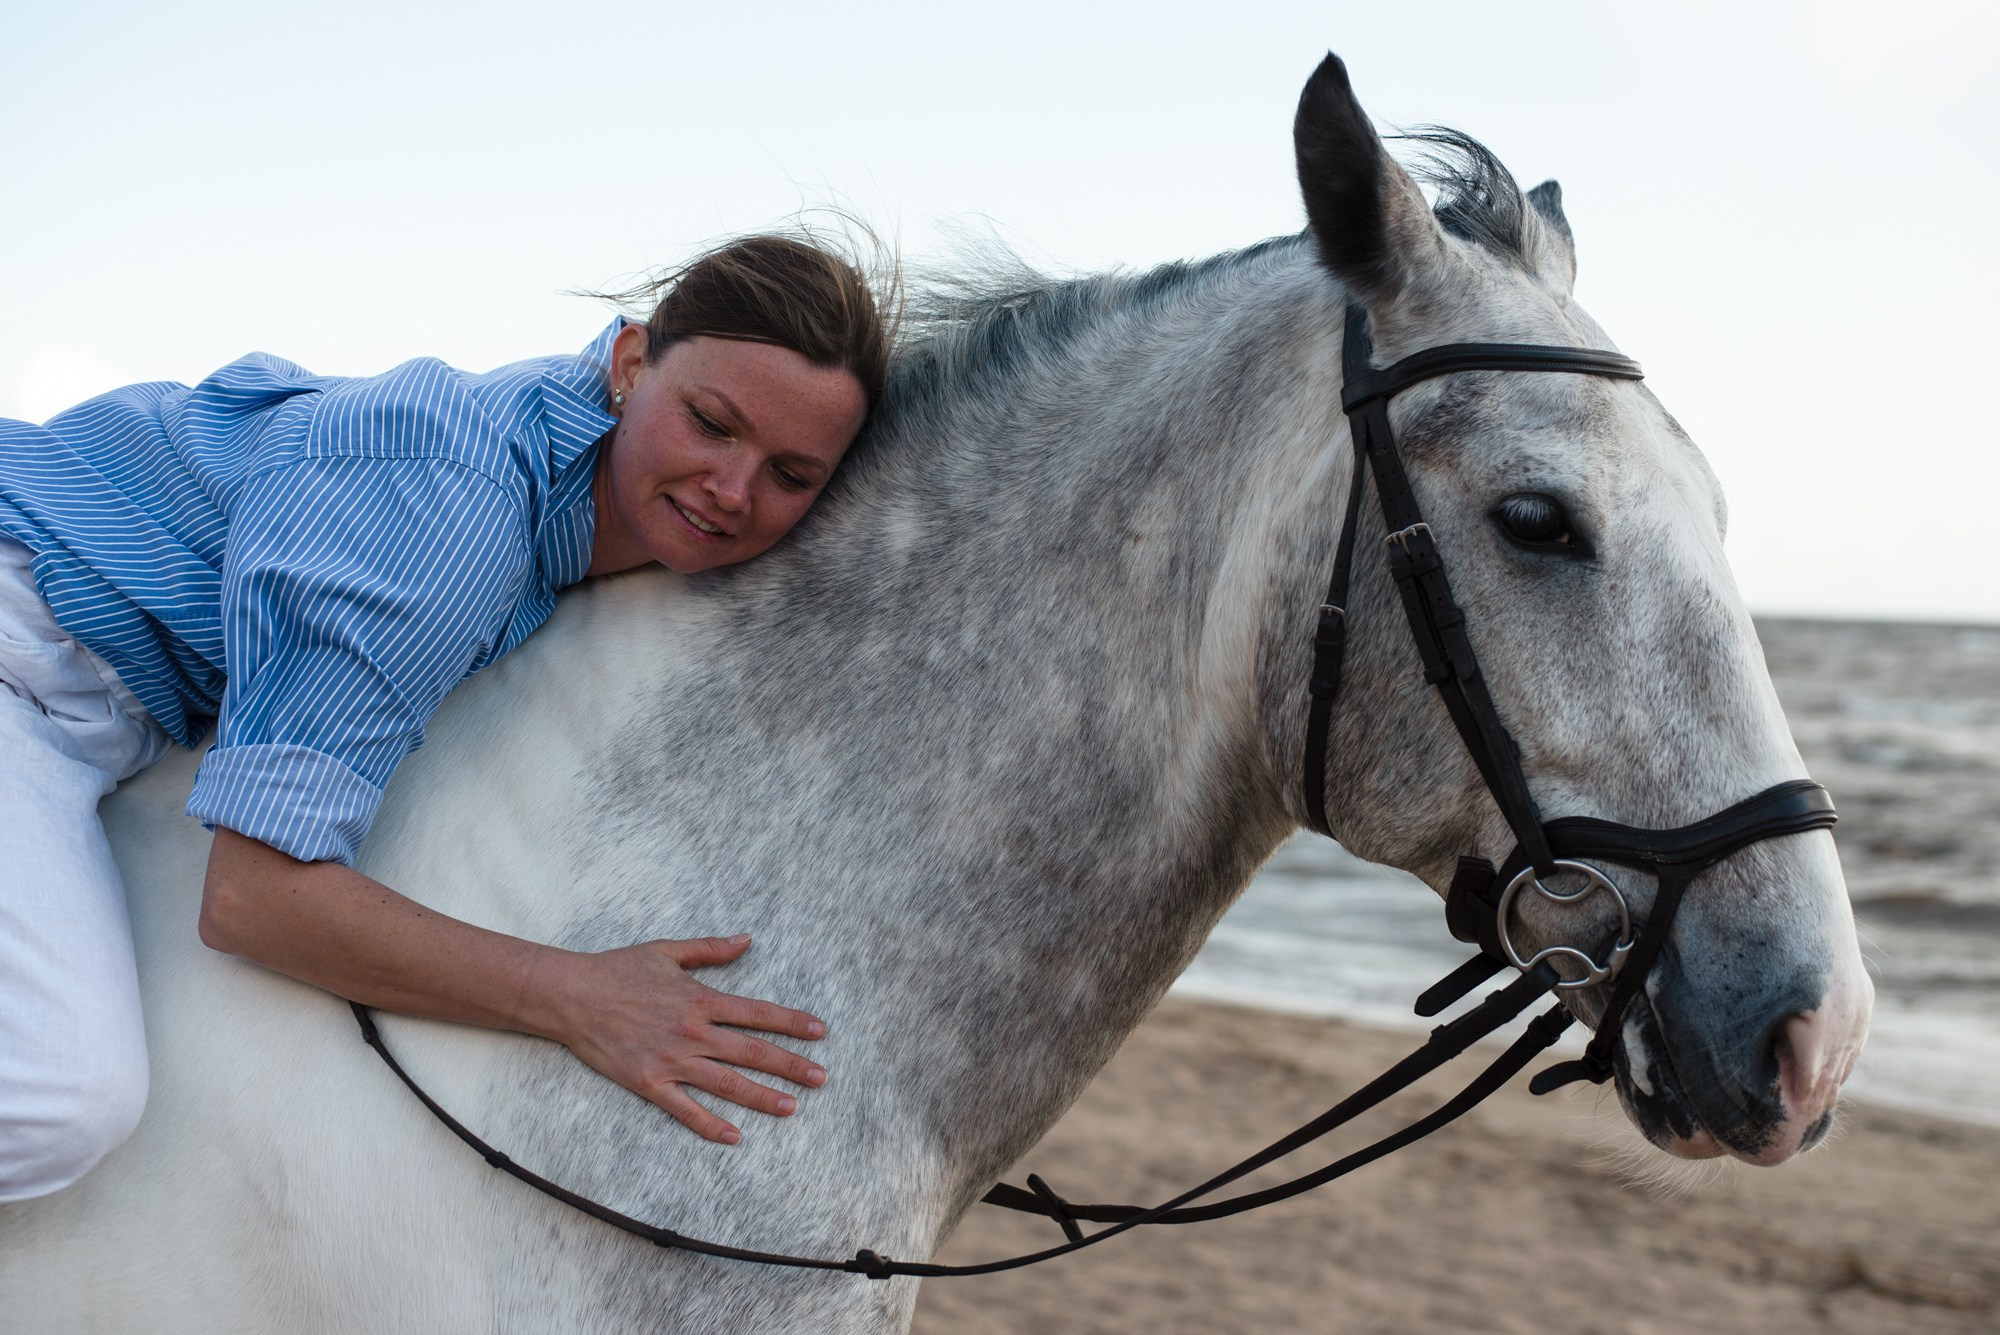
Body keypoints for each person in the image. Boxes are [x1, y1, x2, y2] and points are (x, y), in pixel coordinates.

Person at [0, 233, 895, 1204]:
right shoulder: (450, 521)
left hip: (90, 693)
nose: (733, 491)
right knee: (60, 1102)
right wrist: (579, 997)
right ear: (632, 363)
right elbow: (254, 897)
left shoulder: (546, 451)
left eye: (791, 476)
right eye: (711, 423)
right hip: (27, 647)